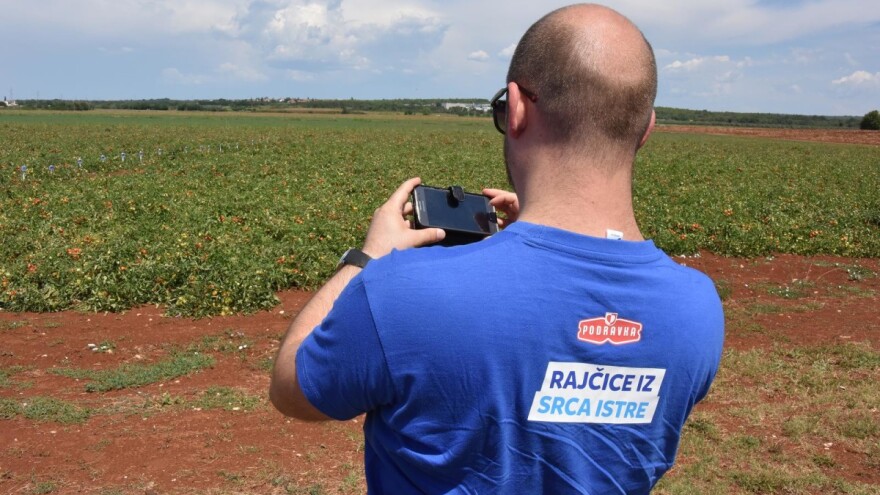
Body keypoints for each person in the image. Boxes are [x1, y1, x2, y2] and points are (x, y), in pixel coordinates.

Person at [270, 3, 724, 493]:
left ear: (517, 108)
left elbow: (293, 388)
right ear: (646, 128)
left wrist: (366, 260)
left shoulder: (402, 292)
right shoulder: (697, 310)